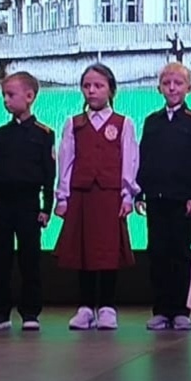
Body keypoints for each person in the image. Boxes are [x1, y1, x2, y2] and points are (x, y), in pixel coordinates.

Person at [55, 63, 139, 330]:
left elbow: (129, 159)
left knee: (107, 252)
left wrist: (127, 195)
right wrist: (62, 196)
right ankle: (85, 307)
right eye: (87, 86)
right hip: (82, 195)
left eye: (98, 86)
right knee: (84, 251)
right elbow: (66, 161)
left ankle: (107, 307)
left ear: (111, 90)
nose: (92, 91)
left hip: (109, 195)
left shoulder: (123, 124)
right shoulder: (74, 124)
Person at [0, 71, 55, 331]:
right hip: (2, 205)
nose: (6, 100)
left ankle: (30, 312)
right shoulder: (0, 134)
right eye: (3, 95)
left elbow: (49, 174)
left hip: (28, 204)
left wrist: (46, 207)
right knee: (0, 260)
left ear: (30, 96)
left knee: (29, 260)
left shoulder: (44, 134)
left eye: (10, 95)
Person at [135, 62, 191, 331]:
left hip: (183, 200)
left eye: (178, 83)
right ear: (159, 88)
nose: (172, 88)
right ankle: (161, 309)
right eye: (167, 83)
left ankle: (179, 310)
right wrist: (140, 192)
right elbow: (144, 158)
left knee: (180, 254)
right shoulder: (152, 121)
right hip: (156, 198)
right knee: (158, 254)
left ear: (189, 88)